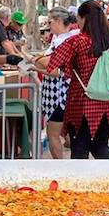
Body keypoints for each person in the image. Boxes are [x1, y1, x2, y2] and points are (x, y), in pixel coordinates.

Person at [47, 0, 109, 159]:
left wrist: (33, 61)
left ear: (84, 19)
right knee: (100, 145)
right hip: (108, 103)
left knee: (79, 149)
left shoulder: (77, 42)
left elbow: (53, 63)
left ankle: (79, 183)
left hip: (81, 104)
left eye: (78, 19)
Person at [32, 8, 80, 158]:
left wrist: (34, 62)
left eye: (50, 21)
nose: (48, 25)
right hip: (62, 93)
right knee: (67, 133)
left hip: (58, 95)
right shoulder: (66, 38)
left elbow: (54, 69)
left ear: (59, 21)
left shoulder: (62, 41)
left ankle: (59, 167)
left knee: (53, 134)